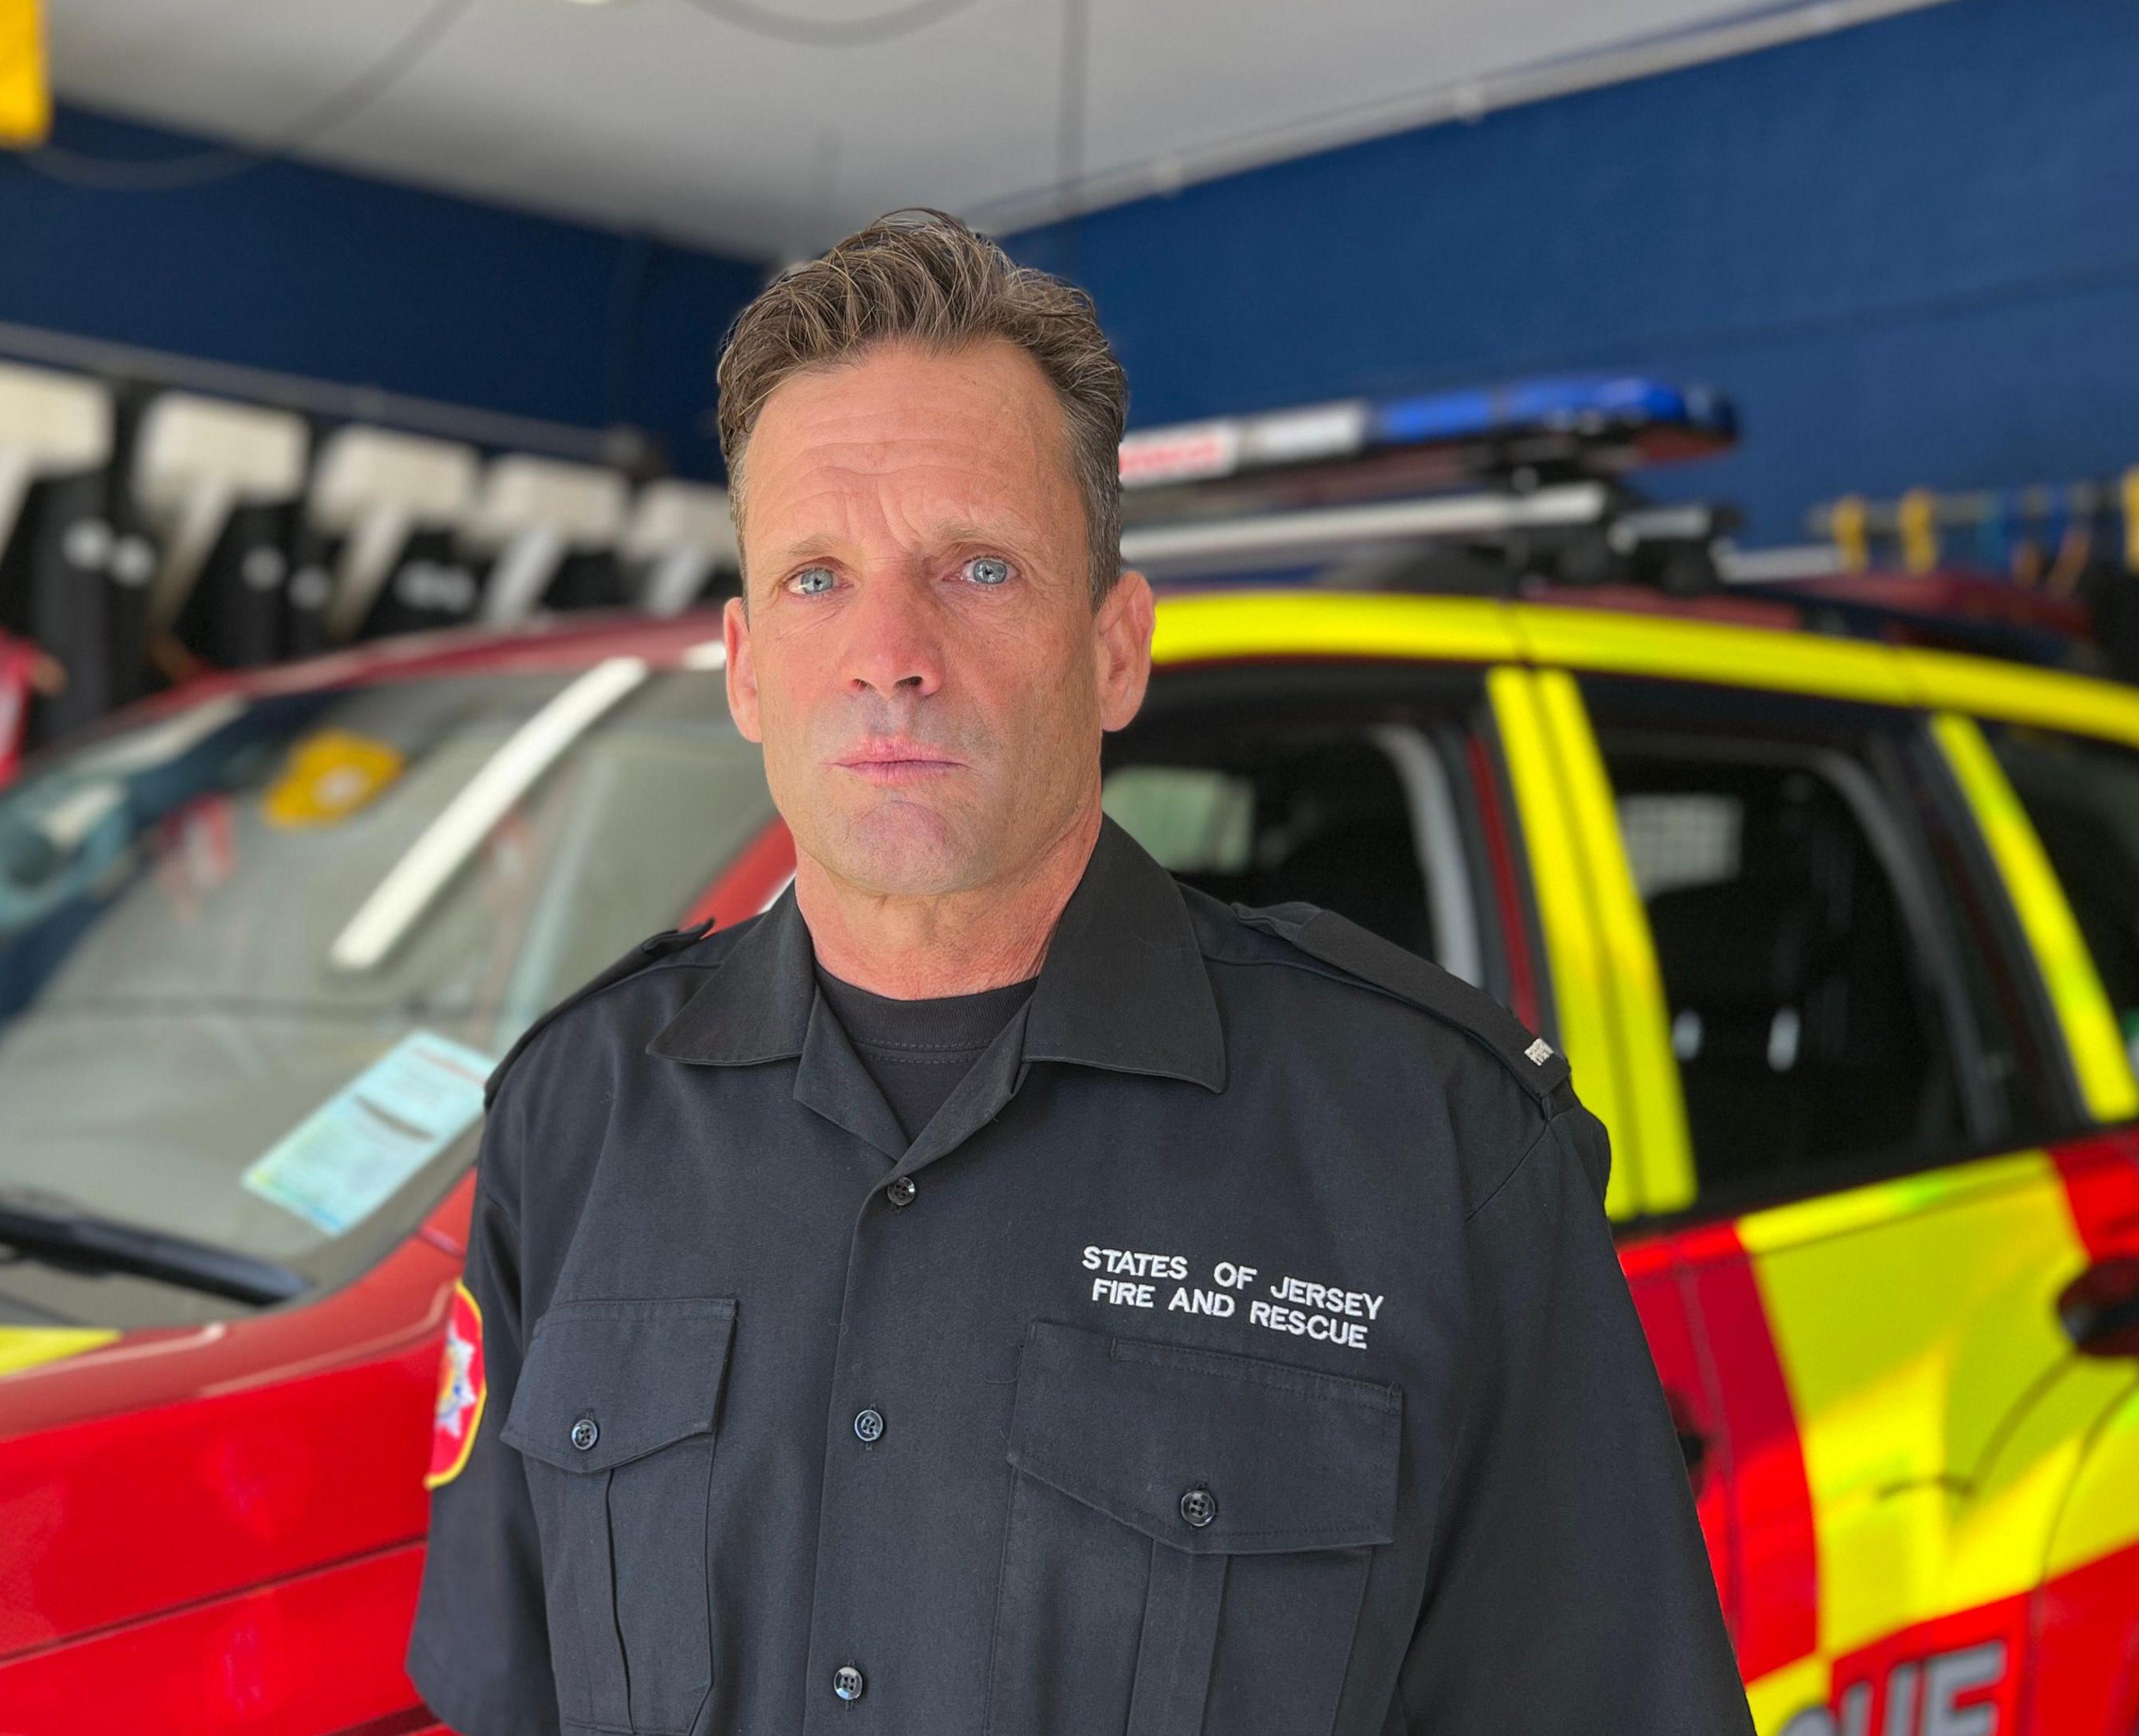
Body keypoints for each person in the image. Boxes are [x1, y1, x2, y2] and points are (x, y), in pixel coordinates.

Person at [408, 210, 1752, 1736]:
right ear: (742, 668)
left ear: (1117, 648)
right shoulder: (571, 1125)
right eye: (815, 579)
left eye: (977, 567)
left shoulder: (1432, 1150)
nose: (889, 652)